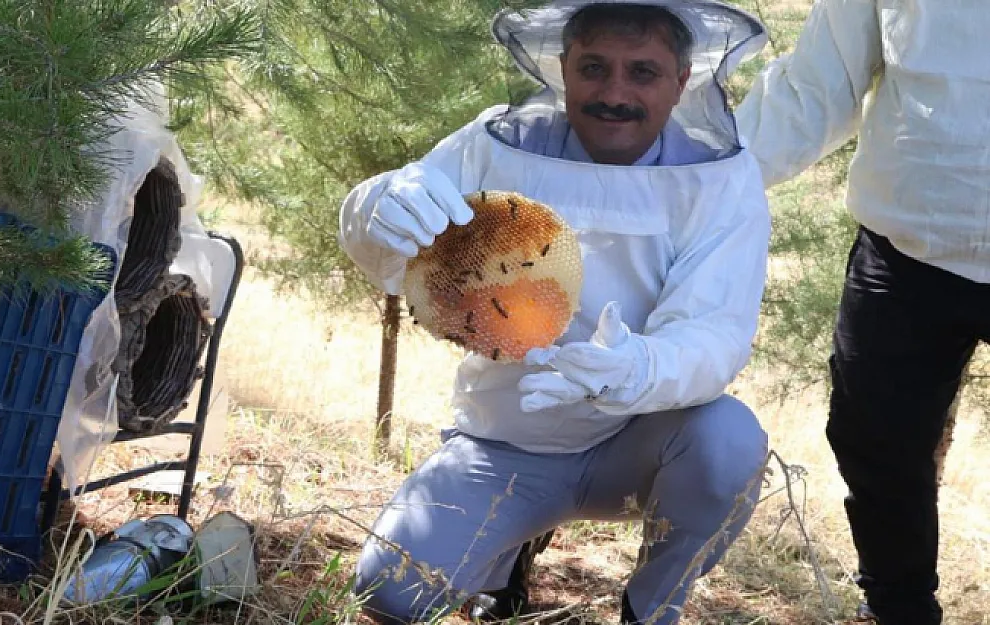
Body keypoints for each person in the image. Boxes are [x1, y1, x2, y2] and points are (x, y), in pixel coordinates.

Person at [338, 2, 772, 623]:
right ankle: (505, 561)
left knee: (727, 441)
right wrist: (379, 205)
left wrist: (638, 369)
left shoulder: (720, 178)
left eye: (642, 73)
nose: (615, 93)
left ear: (682, 81)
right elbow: (388, 233)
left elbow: (716, 329)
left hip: (641, 440)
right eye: (594, 67)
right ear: (563, 68)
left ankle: (650, 609)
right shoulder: (494, 143)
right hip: (505, 438)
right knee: (390, 592)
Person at [734, 2, 990, 623]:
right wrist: (690, 177)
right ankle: (899, 611)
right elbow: (820, 84)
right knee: (874, 441)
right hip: (908, 244)